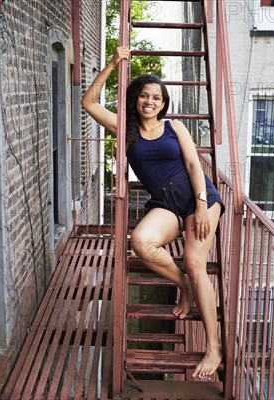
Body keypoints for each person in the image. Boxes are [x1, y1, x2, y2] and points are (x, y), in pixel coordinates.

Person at [81, 46, 224, 380]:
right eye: (145, 96)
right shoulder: (126, 129)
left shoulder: (174, 127)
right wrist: (114, 62)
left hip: (199, 200)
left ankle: (214, 348)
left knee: (194, 262)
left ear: (163, 103)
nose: (150, 102)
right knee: (140, 242)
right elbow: (89, 103)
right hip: (165, 204)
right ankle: (183, 287)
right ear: (137, 99)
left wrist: (202, 205)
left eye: (156, 97)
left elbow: (193, 164)